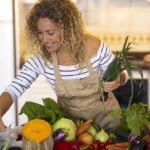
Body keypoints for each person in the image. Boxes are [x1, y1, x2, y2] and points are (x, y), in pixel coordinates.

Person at [0, 0, 128, 130]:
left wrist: (118, 79)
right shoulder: (42, 58)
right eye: (40, 32)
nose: (44, 39)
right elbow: (15, 87)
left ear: (66, 28)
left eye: (50, 33)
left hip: (110, 127)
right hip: (72, 132)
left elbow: (123, 75)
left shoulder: (93, 46)